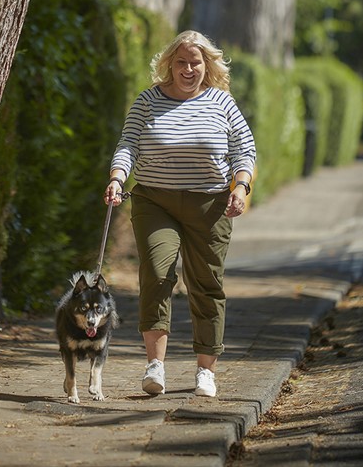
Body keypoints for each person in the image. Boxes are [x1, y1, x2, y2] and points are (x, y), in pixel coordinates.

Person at [104, 30, 256, 398]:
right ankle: (155, 365)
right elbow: (128, 144)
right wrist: (116, 177)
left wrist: (240, 187)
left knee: (206, 283)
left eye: (196, 63)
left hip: (210, 205)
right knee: (157, 272)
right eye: (182, 62)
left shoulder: (221, 103)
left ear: (208, 65)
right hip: (155, 201)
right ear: (169, 64)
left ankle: (206, 370)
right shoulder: (148, 101)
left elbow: (244, 151)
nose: (189, 69)